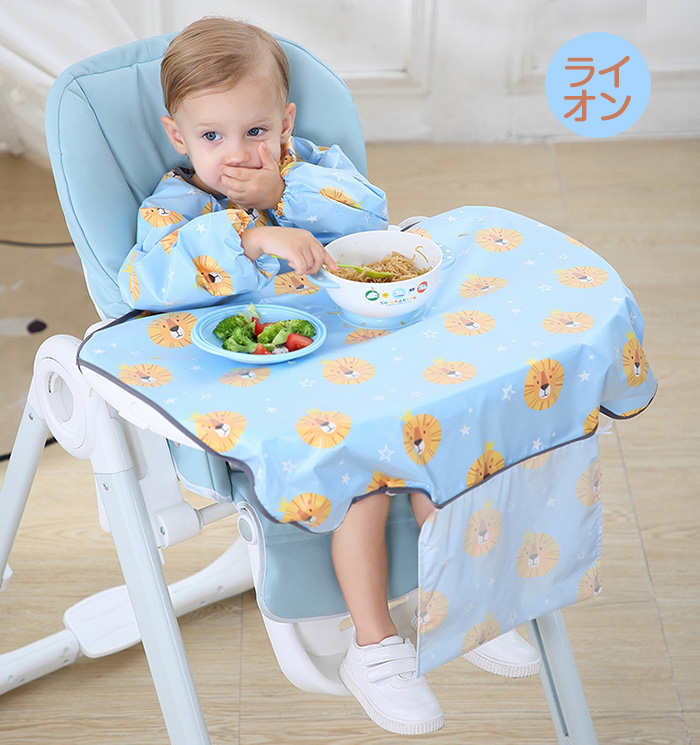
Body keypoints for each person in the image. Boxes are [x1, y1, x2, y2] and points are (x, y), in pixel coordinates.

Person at [122, 17, 541, 736]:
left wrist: (285, 189)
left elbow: (371, 216)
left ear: (285, 122)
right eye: (212, 136)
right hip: (269, 379)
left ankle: (467, 604)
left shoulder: (313, 169)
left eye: (256, 131)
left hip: (364, 352)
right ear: (178, 136)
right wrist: (251, 233)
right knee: (364, 482)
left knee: (439, 447)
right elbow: (146, 279)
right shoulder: (177, 207)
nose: (238, 153)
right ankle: (373, 646)